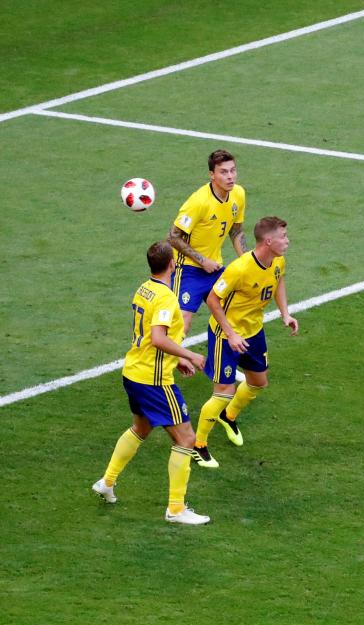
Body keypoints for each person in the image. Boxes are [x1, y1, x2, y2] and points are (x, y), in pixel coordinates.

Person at [91, 241, 210, 525]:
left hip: (133, 372)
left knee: (141, 428)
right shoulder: (167, 297)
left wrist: (175, 359)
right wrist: (189, 354)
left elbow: (149, 338)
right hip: (153, 381)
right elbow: (158, 337)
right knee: (186, 439)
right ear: (172, 264)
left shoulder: (144, 288)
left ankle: (107, 482)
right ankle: (176, 509)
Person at [191, 216, 298, 467]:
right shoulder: (239, 269)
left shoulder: (278, 261)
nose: (287, 241)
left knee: (258, 382)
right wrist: (230, 333)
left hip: (253, 332)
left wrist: (285, 313)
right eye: (283, 237)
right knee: (222, 392)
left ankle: (228, 417)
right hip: (225, 335)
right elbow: (212, 300)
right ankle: (198, 445)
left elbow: (278, 281)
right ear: (268, 241)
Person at [167, 149, 247, 334]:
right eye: (223, 172)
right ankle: (167, 359)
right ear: (212, 175)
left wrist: (246, 260)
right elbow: (172, 236)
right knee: (182, 324)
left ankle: (222, 358)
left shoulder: (239, 194)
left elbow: (236, 231)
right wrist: (202, 261)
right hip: (187, 269)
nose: (230, 177)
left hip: (215, 267)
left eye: (232, 170)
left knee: (236, 310)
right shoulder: (198, 202)